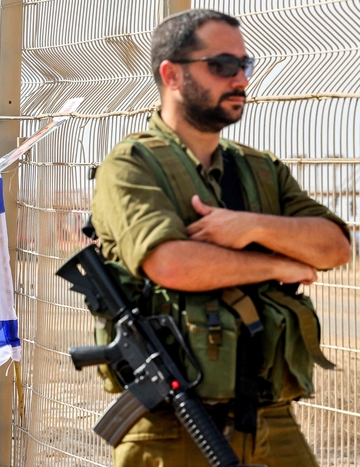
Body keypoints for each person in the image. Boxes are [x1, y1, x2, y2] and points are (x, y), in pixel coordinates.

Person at [89, 9, 350, 467]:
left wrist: (250, 226)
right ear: (172, 74)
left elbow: (334, 246)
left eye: (244, 66)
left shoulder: (259, 169)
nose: (240, 79)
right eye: (223, 66)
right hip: (172, 424)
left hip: (269, 417)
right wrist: (276, 263)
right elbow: (170, 263)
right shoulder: (130, 165)